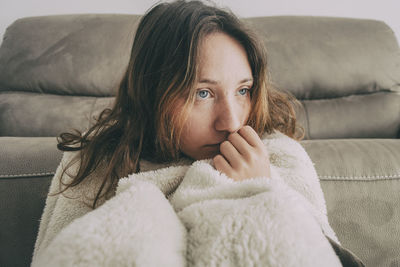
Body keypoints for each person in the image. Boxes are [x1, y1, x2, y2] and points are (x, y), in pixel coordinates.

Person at [31, 1, 365, 266]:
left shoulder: (277, 155)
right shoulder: (97, 163)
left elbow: (324, 252)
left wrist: (264, 188)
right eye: (202, 93)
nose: (232, 123)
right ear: (153, 92)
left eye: (243, 90)